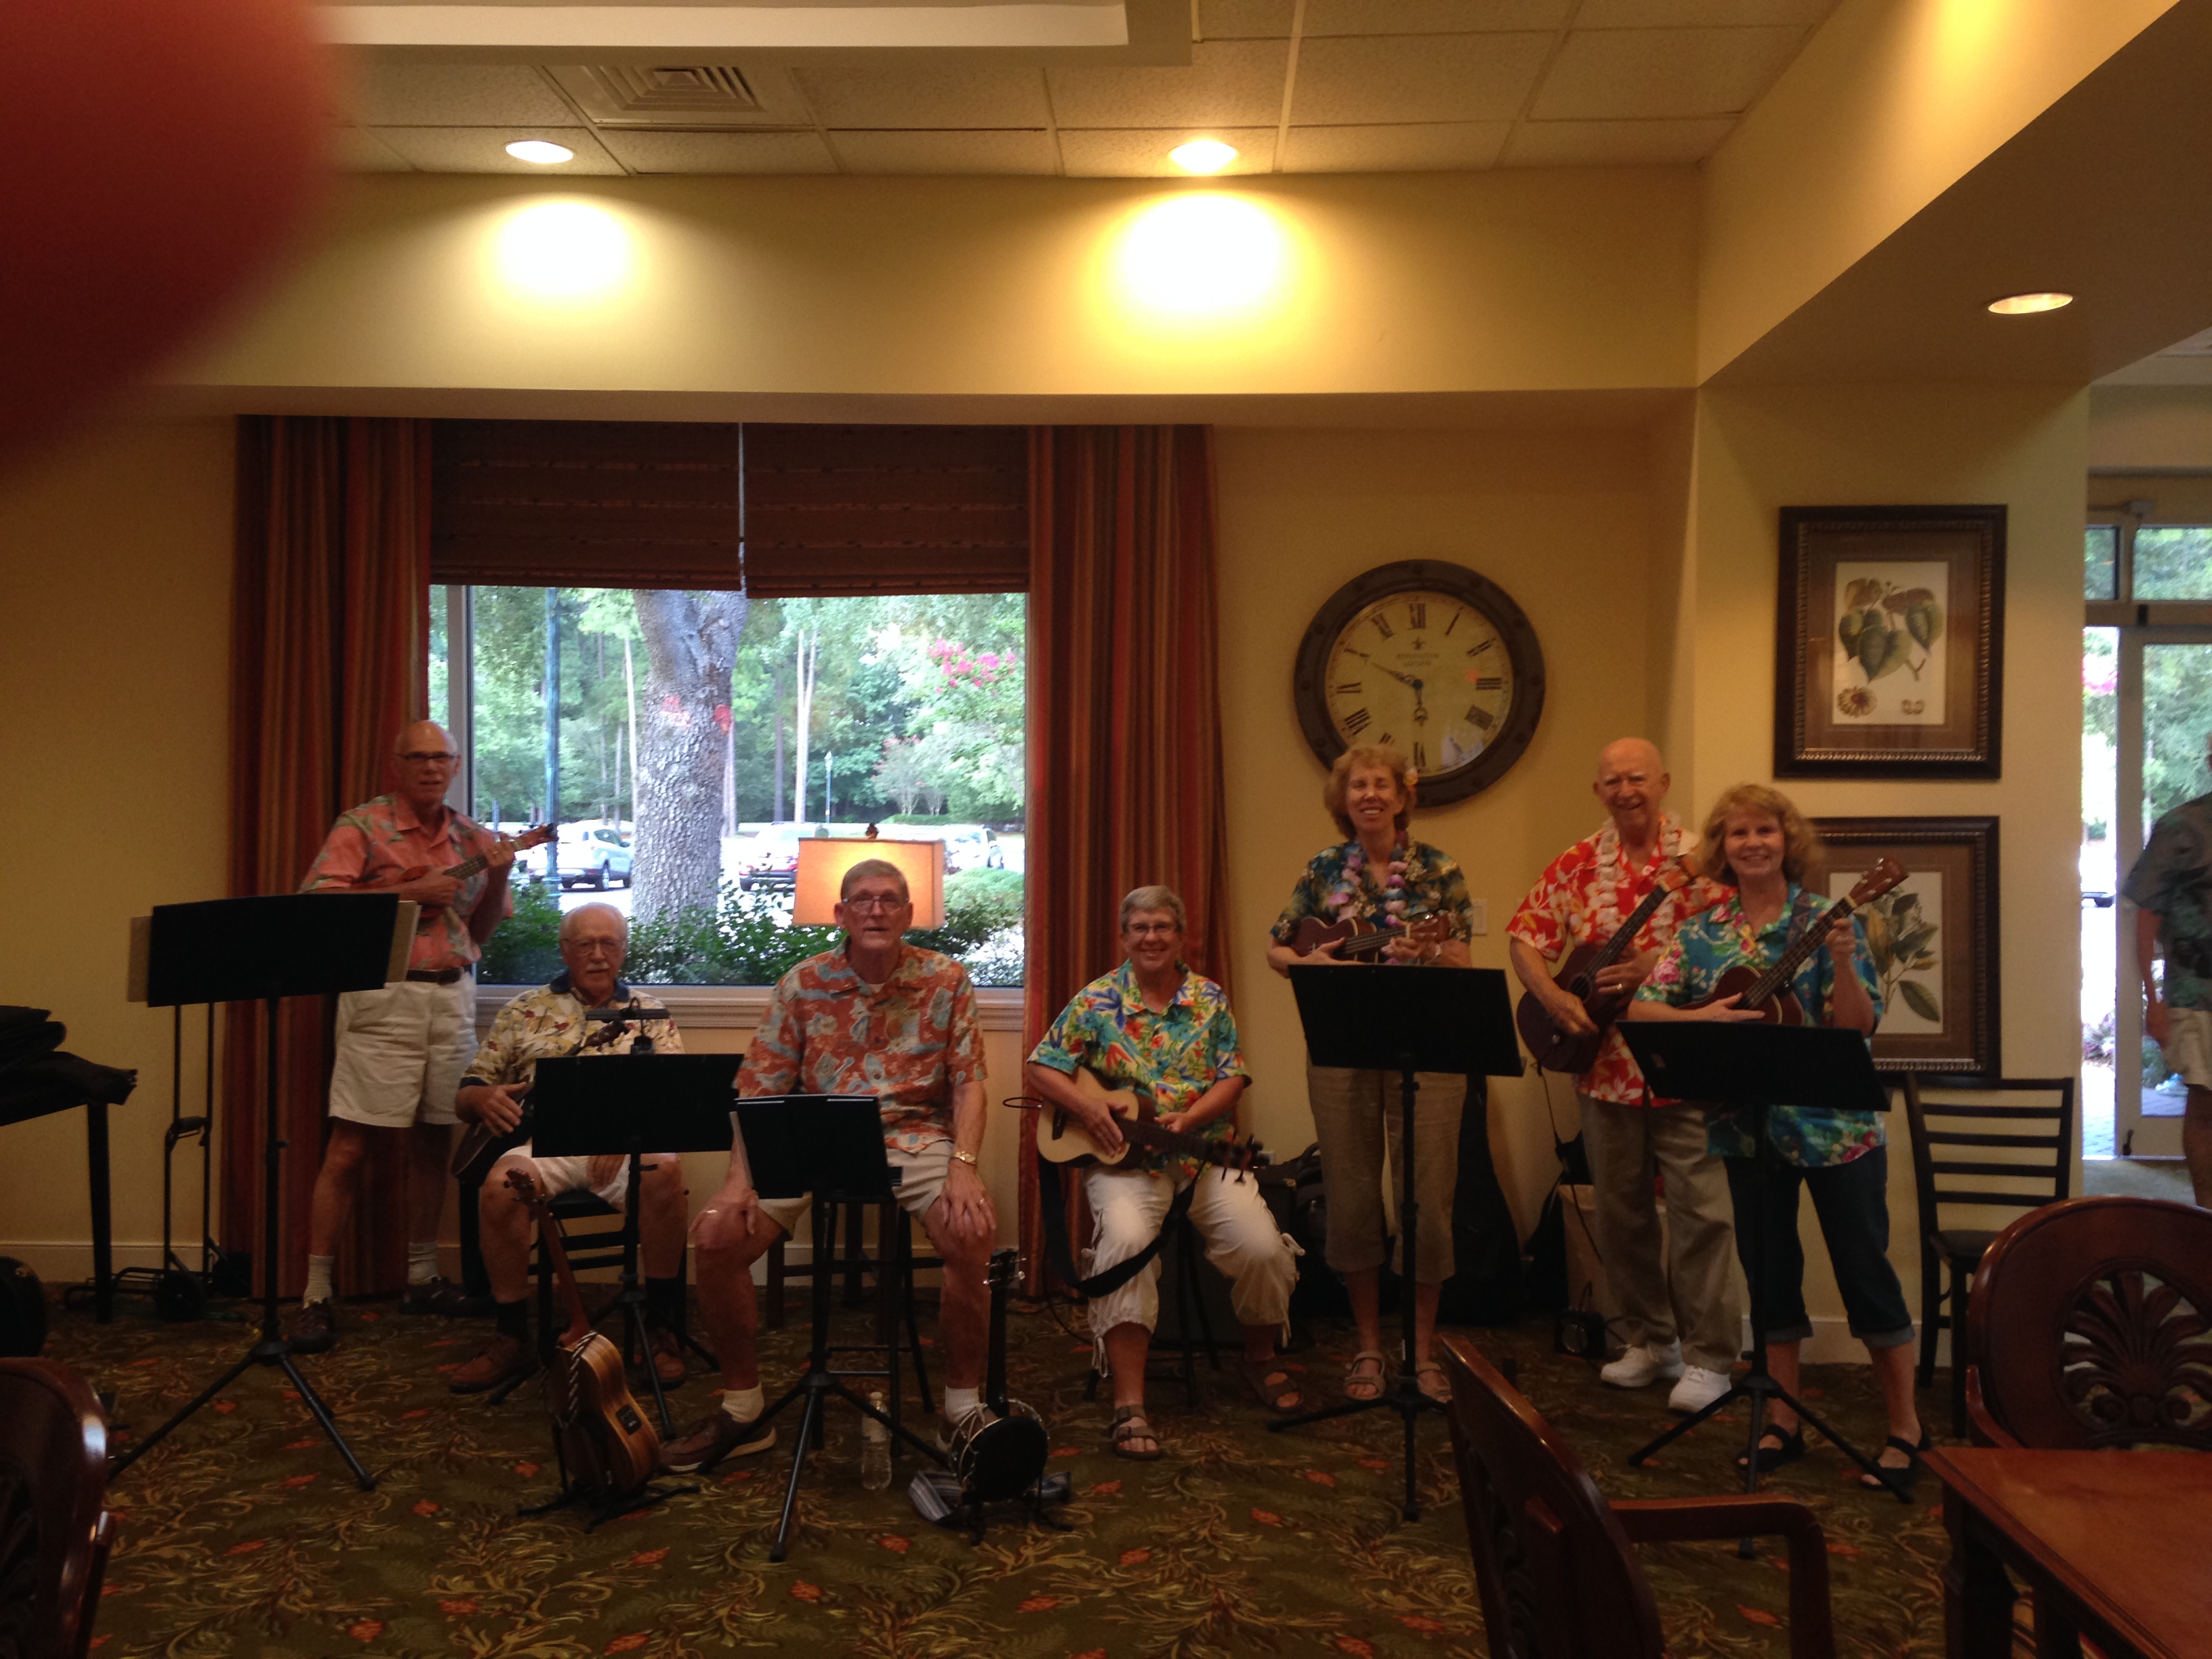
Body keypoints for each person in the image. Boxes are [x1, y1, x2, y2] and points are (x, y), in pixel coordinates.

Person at [1626, 783, 1927, 1493]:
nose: (1752, 843)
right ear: (1721, 847)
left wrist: (1845, 960)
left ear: (1787, 840)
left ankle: (1907, 1427)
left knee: (1864, 1272)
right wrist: (1702, 1020)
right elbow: (1642, 1006)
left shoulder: (1826, 918)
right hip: (1746, 1128)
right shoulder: (1701, 932)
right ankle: (1782, 1420)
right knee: (1769, 1275)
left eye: (1765, 830)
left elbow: (1858, 1028)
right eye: (1738, 833)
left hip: (1837, 1130)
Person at [661, 858, 996, 1473]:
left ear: (909, 914)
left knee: (972, 1231)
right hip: (815, 1134)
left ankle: (962, 1409)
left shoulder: (946, 979)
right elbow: (756, 1090)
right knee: (716, 1236)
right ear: (840, 913)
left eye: (890, 899)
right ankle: (743, 1410)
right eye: (862, 899)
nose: (876, 910)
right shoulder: (802, 983)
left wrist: (965, 1164)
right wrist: (737, 1183)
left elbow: (970, 1083)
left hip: (913, 1137)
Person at [1025, 885, 1303, 1460]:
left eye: (1162, 927)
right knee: (1126, 1244)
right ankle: (1130, 1400)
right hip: (1125, 1164)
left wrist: (1191, 1119)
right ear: (1124, 937)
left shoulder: (1209, 998)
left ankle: (1259, 1358)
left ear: (1181, 937)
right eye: (1140, 928)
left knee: (1260, 1247)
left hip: (1205, 1156)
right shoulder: (1097, 999)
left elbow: (1233, 1077)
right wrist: (1088, 1110)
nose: (1151, 937)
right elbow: (1042, 1068)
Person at [1507, 738, 1736, 1415]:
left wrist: (1656, 968)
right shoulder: (1578, 863)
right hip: (1604, 1069)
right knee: (1620, 1215)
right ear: (1598, 791)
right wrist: (1554, 997)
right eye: (1612, 781)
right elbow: (1525, 936)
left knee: (1702, 1216)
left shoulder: (1703, 860)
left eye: (1637, 778)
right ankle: (1649, 1341)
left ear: (1662, 782)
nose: (1626, 790)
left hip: (1685, 1065)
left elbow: (1738, 948)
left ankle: (1710, 1357)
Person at [289, 720, 515, 1353]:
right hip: (383, 995)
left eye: (440, 758)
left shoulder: (473, 838)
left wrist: (499, 877)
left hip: (452, 997)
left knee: (434, 1139)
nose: (430, 767)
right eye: (417, 757)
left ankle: (421, 1278)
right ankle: (315, 1294)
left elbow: (481, 932)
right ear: (397, 764)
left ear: (456, 765)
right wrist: (408, 892)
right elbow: (316, 906)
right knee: (350, 1146)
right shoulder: (362, 826)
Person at [1266, 744, 1475, 1406]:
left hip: (1428, 1046)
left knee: (1428, 1204)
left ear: (1401, 796)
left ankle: (1420, 1346)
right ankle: (1367, 1345)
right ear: (1344, 798)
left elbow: (1463, 956)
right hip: (1342, 1046)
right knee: (1352, 1200)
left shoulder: (1440, 869)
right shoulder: (1324, 869)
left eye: (1382, 784)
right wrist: (1313, 965)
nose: (1370, 795)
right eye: (1358, 785)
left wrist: (1428, 949)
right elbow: (1278, 948)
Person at [446, 903, 693, 1395]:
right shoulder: (524, 1010)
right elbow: (467, 1093)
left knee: (665, 1172)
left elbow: (671, 1098)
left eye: (609, 944)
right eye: (585, 944)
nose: (598, 955)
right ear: (564, 950)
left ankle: (660, 1329)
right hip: (543, 1146)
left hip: (623, 1149)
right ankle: (511, 1336)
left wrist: (625, 1134)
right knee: (499, 1188)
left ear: (623, 950)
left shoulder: (650, 1013)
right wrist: (482, 1098)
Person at [2123, 732, 2212, 1204]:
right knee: (2205, 1109)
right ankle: (2206, 1216)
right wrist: (2152, 1001)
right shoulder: (2182, 826)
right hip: (2196, 994)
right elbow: (2147, 914)